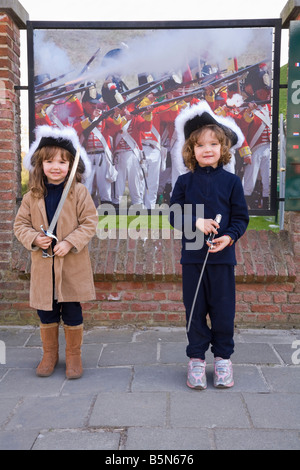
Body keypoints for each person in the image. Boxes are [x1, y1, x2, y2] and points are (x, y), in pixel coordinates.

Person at [170, 101, 249, 389]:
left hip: (223, 259)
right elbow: (173, 214)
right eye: (200, 145)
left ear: (222, 148)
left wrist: (229, 236)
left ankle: (223, 360)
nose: (207, 149)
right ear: (191, 151)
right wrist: (196, 222)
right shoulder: (183, 182)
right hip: (192, 259)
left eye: (213, 144)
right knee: (194, 310)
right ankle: (196, 361)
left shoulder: (231, 182)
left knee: (223, 310)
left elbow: (240, 218)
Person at [14, 125, 98, 380]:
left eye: (62, 162)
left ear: (71, 165)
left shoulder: (79, 192)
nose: (56, 167)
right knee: (46, 312)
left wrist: (70, 242)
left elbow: (90, 222)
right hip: (43, 266)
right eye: (49, 161)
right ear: (40, 165)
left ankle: (74, 356)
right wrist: (34, 239)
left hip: (71, 265)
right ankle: (49, 354)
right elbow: (20, 225)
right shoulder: (32, 196)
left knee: (72, 311)